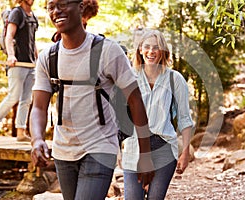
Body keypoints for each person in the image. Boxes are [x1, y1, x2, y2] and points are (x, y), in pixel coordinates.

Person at [29, 0, 154, 200]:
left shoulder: (107, 51)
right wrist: (37, 140)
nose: (56, 11)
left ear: (80, 6)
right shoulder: (48, 57)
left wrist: (146, 156)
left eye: (62, 4)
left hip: (100, 147)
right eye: (51, 7)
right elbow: (38, 107)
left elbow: (136, 101)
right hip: (63, 151)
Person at [121, 29, 194, 200]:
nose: (151, 51)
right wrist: (117, 151)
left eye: (156, 47)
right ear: (140, 49)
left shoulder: (174, 79)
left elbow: (184, 118)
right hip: (134, 148)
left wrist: (185, 153)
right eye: (147, 47)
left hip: (163, 148)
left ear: (163, 51)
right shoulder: (129, 77)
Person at [0, 0, 38, 141]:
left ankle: (21, 132)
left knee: (26, 100)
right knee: (13, 97)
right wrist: (11, 55)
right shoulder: (17, 12)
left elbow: (33, 41)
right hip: (17, 64)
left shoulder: (33, 16)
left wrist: (37, 60)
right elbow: (9, 36)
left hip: (30, 65)